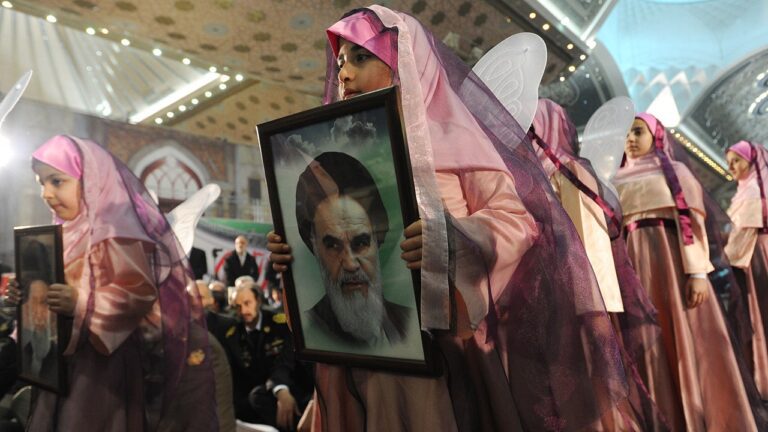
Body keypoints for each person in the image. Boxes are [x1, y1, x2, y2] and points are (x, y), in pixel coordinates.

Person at [270, 6, 631, 431]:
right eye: (341, 60)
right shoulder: (327, 154)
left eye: (361, 57)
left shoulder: (456, 137)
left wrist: (452, 241)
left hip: (441, 349)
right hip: (357, 352)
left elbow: (516, 221)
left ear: (405, 56)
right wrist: (293, 253)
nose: (344, 73)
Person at [9, 135, 217, 431]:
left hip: (99, 371)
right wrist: (26, 297)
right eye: (41, 182)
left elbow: (137, 292)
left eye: (57, 181)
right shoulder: (61, 235)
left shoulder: (115, 234)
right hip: (56, 367)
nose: (46, 193)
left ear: (90, 179)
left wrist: (80, 303)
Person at [614, 113, 758, 430]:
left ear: (656, 135)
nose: (631, 139)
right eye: (626, 134)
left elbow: (691, 227)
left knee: (689, 338)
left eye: (638, 131)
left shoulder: (675, 173)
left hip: (675, 268)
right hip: (636, 271)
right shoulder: (615, 180)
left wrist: (696, 273)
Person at [529, 99, 664, 430]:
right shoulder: (534, 174)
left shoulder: (571, 172)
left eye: (532, 126)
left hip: (579, 305)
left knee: (593, 390)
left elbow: (592, 243)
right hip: (549, 300)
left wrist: (595, 309)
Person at [295, 152, 412, 347]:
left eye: (360, 243)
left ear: (377, 239)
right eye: (332, 246)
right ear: (315, 247)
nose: (350, 264)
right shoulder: (308, 329)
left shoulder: (410, 324)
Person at [219, 285, 313, 430]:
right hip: (258, 397)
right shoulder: (232, 335)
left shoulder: (280, 324)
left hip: (290, 385)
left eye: (247, 303)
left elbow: (285, 361)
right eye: (238, 306)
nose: (243, 311)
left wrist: (280, 388)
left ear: (258, 301)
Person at [723, 140, 768, 399]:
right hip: (753, 256)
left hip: (758, 255)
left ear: (751, 160)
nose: (732, 167)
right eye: (729, 162)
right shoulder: (746, 189)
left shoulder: (753, 191)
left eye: (737, 160)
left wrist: (725, 255)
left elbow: (743, 232)